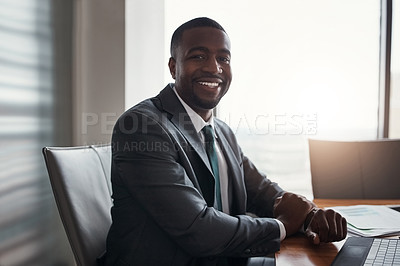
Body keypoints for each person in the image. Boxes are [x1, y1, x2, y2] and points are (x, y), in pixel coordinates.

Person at [103, 17, 347, 266]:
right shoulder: (142, 127)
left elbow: (262, 191)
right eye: (198, 56)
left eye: (224, 58)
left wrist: (309, 218)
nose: (214, 68)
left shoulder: (221, 131)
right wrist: (282, 225)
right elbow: (199, 230)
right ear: (173, 67)